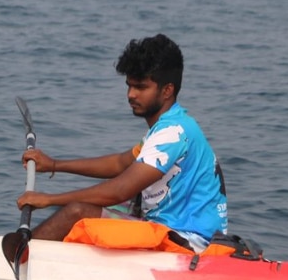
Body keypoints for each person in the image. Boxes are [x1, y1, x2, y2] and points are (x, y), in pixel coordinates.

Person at [16, 33, 228, 252]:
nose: (131, 95)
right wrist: (53, 165)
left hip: (190, 243)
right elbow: (120, 163)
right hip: (167, 228)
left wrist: (49, 199)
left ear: (167, 90)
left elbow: (121, 189)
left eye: (141, 87)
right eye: (129, 86)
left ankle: (17, 259)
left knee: (77, 212)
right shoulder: (168, 127)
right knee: (104, 206)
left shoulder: (173, 133)